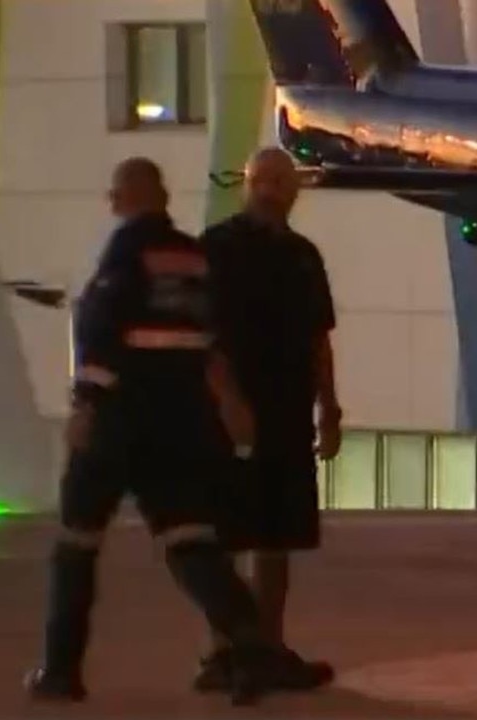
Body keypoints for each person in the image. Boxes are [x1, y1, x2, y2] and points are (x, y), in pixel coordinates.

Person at [24, 158, 283, 706]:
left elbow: (101, 332)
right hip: (182, 424)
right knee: (189, 540)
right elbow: (208, 338)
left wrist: (86, 406)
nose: (111, 203)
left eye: (115, 193)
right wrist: (228, 400)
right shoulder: (192, 258)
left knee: (77, 543)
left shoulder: (126, 252)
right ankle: (250, 641)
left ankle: (61, 671)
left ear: (127, 197)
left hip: (120, 422)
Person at [194, 147, 338, 692]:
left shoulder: (304, 255)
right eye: (266, 178)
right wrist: (227, 399)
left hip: (289, 410)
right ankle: (223, 650)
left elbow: (318, 338)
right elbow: (203, 335)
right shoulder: (218, 249)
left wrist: (329, 406)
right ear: (248, 183)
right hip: (230, 415)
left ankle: (269, 647)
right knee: (229, 530)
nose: (276, 187)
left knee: (278, 533)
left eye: (285, 179)